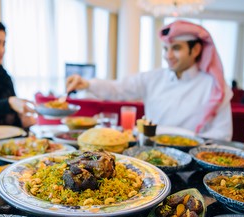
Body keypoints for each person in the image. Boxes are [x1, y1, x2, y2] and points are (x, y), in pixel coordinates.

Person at [66, 20, 233, 141]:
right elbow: (118, 88)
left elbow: (222, 135)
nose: (168, 56)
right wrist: (87, 83)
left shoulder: (215, 87)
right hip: (149, 154)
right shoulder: (153, 78)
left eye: (176, 48)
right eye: (166, 49)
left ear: (195, 49)